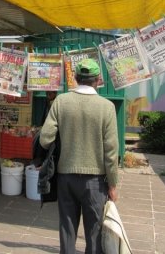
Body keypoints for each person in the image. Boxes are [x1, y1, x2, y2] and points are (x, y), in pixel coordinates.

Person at [39, 58, 119, 254]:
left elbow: (45, 139)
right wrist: (113, 184)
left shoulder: (61, 101)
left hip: (65, 177)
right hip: (96, 182)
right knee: (94, 233)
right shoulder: (106, 107)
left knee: (67, 228)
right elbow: (111, 151)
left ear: (75, 78)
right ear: (98, 80)